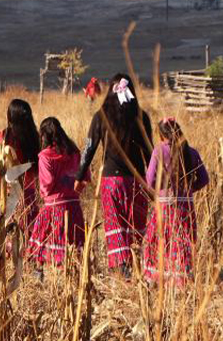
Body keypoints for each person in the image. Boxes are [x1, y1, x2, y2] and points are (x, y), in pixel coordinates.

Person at [77, 73, 153, 277]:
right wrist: (154, 182)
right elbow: (150, 153)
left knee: (115, 224)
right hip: (138, 181)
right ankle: (136, 265)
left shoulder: (100, 116)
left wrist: (79, 176)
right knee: (135, 224)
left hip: (111, 182)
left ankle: (122, 268)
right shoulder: (141, 116)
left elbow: (89, 149)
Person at [141, 118, 209, 285]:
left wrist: (161, 190)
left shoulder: (159, 151)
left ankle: (157, 276)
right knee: (183, 240)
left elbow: (149, 180)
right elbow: (204, 179)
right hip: (186, 204)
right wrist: (188, 190)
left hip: (165, 204)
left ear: (162, 135)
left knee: (160, 239)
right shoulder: (191, 152)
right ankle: (182, 278)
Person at [26, 117, 86, 268]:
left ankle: (41, 273)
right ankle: (73, 273)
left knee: (41, 242)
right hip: (74, 206)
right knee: (74, 245)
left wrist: (45, 195)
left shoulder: (45, 156)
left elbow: (46, 185)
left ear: (44, 136)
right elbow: (84, 177)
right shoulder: (74, 152)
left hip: (54, 206)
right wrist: (74, 192)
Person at [0, 99, 41, 230]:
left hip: (7, 192)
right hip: (29, 192)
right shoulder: (35, 137)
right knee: (27, 232)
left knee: (8, 234)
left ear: (10, 116)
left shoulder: (5, 136)